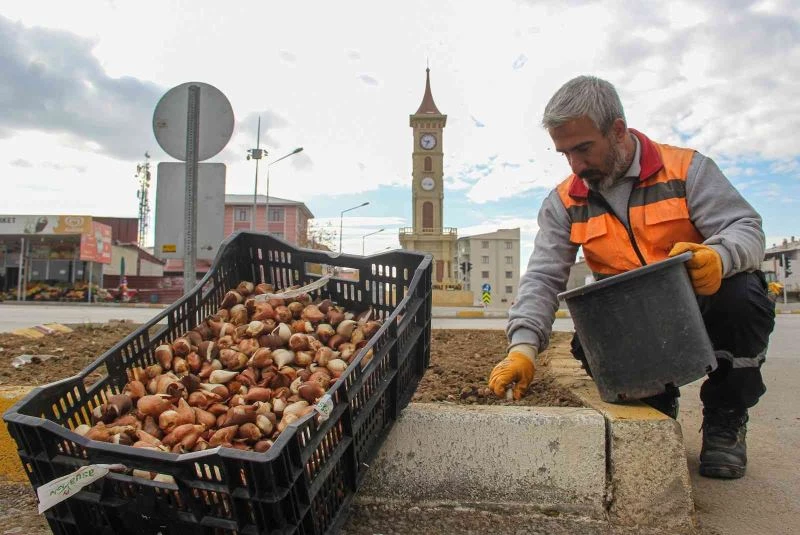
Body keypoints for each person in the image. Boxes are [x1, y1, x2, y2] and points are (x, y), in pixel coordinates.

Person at [488, 75, 775, 480]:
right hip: (634, 321)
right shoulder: (565, 201)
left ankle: (725, 419)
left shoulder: (686, 170)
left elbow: (746, 228)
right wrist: (522, 349)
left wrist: (718, 256)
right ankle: (654, 402)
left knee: (743, 297)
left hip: (701, 306)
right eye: (565, 153)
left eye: (584, 148)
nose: (576, 165)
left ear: (618, 130)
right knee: (589, 337)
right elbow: (543, 278)